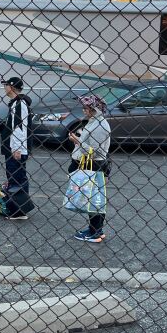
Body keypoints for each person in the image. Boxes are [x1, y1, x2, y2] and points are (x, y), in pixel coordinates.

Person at [68, 94, 111, 242]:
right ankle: (95, 228)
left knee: (94, 199)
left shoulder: (100, 126)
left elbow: (96, 151)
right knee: (93, 198)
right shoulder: (94, 121)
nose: (83, 110)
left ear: (95, 109)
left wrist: (77, 141)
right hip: (90, 163)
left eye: (86, 108)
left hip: (94, 164)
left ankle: (95, 232)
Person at [0, 76, 34, 220]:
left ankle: (18, 211)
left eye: (6, 85)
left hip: (16, 149)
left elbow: (19, 128)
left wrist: (17, 148)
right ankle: (18, 209)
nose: (4, 87)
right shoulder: (16, 103)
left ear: (12, 87)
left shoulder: (20, 104)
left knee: (17, 179)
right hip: (13, 147)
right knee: (16, 177)